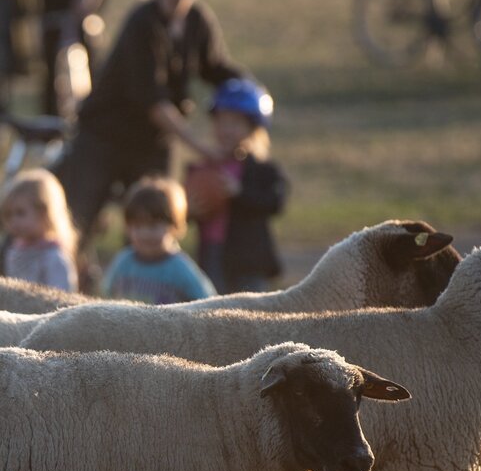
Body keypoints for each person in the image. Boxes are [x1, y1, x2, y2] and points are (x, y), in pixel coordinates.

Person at [54, 0, 241, 246]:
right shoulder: (143, 23)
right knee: (76, 226)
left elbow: (217, 69)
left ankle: (144, 292)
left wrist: (254, 97)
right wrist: (202, 147)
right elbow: (153, 102)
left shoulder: (198, 19)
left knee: (155, 222)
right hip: (103, 137)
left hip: (151, 144)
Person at [186, 78, 288, 294]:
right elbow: (185, 209)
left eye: (235, 123)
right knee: (213, 309)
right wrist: (188, 211)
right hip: (212, 254)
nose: (227, 130)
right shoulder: (203, 167)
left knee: (250, 314)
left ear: (253, 128)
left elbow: (276, 201)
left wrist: (239, 192)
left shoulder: (261, 170)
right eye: (222, 122)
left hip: (248, 259)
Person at [101, 176, 216, 304]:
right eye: (138, 226)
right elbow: (105, 295)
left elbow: (208, 301)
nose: (145, 234)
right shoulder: (123, 262)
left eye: (153, 226)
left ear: (174, 226)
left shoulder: (180, 268)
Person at [0, 167, 78, 290]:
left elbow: (62, 297)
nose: (14, 221)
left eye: (20, 213)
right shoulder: (13, 251)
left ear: (44, 213)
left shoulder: (53, 258)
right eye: (9, 215)